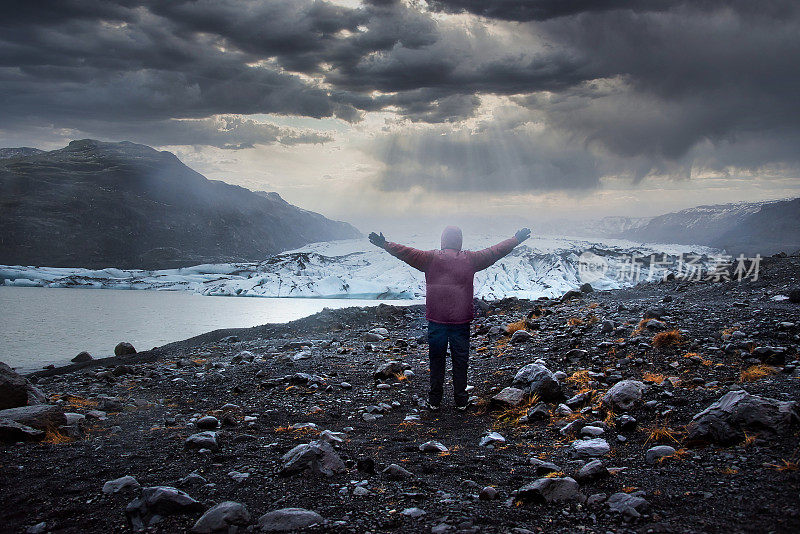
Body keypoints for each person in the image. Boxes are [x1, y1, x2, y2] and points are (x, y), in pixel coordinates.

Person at [368, 226, 531, 411]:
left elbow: (405, 252)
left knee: (436, 360)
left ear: (443, 240)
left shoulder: (430, 258)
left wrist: (385, 244)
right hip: (461, 321)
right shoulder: (470, 259)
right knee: (460, 361)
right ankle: (461, 400)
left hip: (436, 320)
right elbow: (494, 251)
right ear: (459, 240)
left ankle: (434, 401)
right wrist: (515, 240)